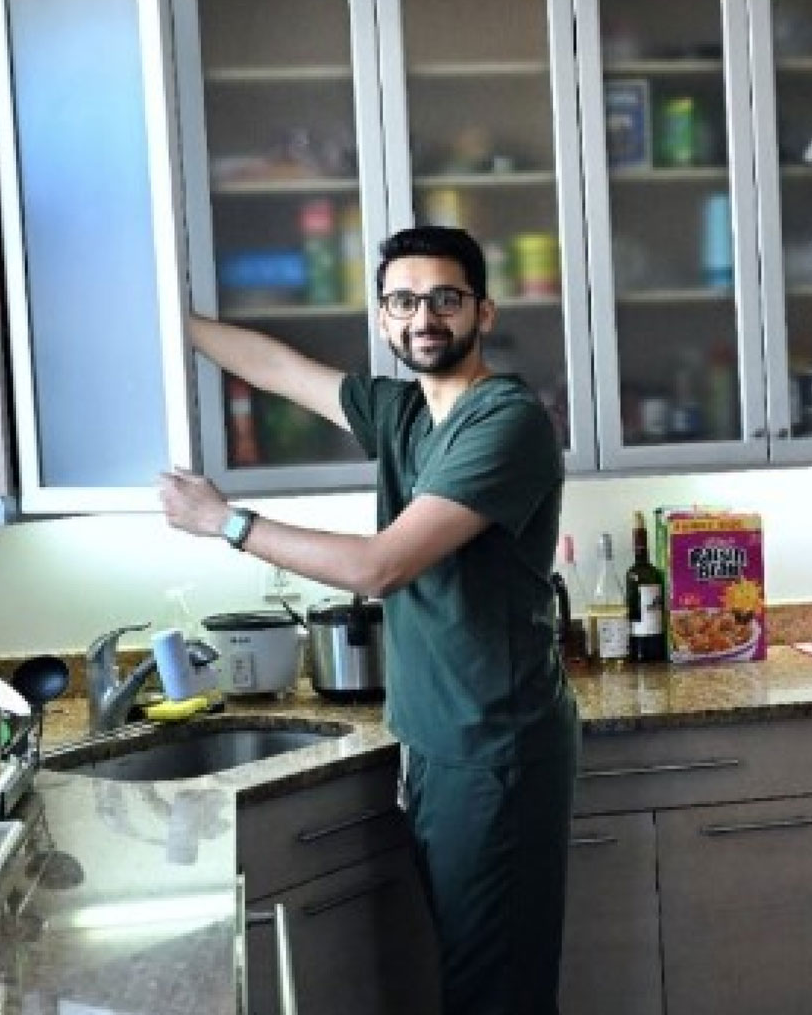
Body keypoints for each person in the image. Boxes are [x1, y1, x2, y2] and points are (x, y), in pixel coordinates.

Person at [157, 225, 578, 1015]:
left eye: (445, 299)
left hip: (495, 748)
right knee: (472, 974)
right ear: (384, 320)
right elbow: (274, 368)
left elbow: (380, 566)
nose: (425, 317)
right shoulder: (402, 412)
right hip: (436, 740)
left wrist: (226, 522)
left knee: (497, 992)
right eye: (404, 301)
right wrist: (157, 314)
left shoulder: (505, 422)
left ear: (482, 313)